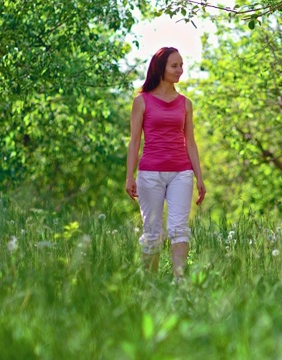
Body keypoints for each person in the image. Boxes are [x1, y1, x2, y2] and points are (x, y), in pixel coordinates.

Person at [125, 47, 206, 279]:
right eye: (175, 65)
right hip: (150, 174)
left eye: (181, 65)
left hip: (181, 173)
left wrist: (199, 177)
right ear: (161, 68)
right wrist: (129, 176)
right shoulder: (142, 101)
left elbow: (190, 142)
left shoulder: (185, 103)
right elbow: (134, 142)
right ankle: (151, 284)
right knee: (152, 232)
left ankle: (179, 282)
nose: (180, 70)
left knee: (179, 229)